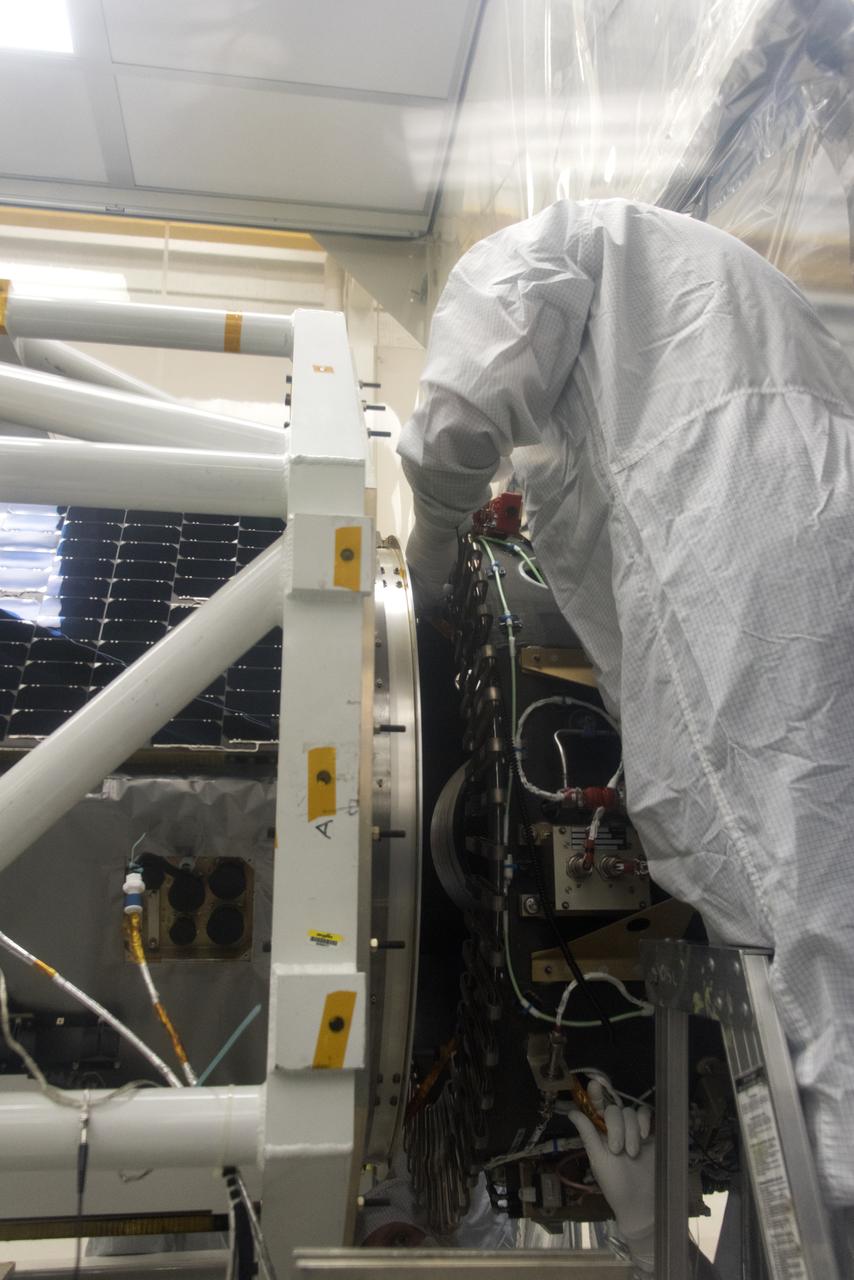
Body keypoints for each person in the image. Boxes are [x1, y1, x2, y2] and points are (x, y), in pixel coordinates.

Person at [398, 198, 854, 1272]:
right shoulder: (730, 291)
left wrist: (426, 553)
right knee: (805, 849)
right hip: (789, 541)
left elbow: (464, 403)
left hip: (736, 563)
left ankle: (836, 1156)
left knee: (785, 872)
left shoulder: (552, 246)